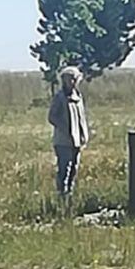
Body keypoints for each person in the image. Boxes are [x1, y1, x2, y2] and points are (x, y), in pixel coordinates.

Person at [48, 65, 89, 209]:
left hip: (77, 141)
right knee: (64, 169)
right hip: (63, 141)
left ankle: (69, 196)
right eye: (66, 79)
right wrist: (65, 129)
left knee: (74, 169)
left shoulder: (78, 97)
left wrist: (84, 134)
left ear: (76, 80)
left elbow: (82, 118)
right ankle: (61, 197)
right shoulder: (59, 97)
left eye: (72, 79)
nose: (69, 82)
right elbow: (52, 117)